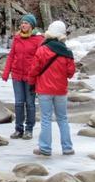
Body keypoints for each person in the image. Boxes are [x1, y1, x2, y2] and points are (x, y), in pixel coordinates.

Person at [31, 21, 77, 157]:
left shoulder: (42, 49)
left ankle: (45, 148)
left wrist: (31, 84)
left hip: (44, 89)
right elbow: (70, 73)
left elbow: (34, 69)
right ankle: (67, 148)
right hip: (61, 90)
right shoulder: (67, 52)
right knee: (62, 118)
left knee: (45, 118)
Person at [2, 14, 40, 139]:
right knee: (18, 103)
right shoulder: (17, 38)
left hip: (31, 77)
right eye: (22, 23)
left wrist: (38, 75)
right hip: (17, 75)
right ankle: (19, 129)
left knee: (29, 103)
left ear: (32, 26)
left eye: (26, 23)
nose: (23, 25)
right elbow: (11, 56)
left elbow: (40, 59)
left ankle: (29, 129)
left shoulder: (38, 40)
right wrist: (6, 72)